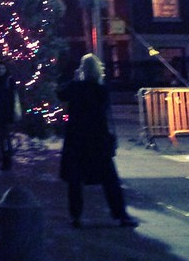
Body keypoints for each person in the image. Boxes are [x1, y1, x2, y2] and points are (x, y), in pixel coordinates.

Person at [58, 53, 137, 228]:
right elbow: (105, 113)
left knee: (75, 181)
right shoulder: (100, 89)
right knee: (110, 180)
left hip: (77, 140)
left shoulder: (76, 87)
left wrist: (75, 79)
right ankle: (120, 214)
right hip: (97, 140)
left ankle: (75, 216)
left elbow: (61, 94)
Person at [0, 59, 18, 170]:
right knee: (2, 138)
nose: (1, 70)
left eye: (3, 68)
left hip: (5, 114)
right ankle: (5, 159)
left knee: (5, 137)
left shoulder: (9, 80)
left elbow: (11, 99)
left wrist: (10, 114)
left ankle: (7, 160)